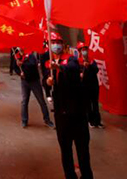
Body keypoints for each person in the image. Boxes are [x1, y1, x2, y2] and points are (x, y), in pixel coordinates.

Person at [45, 33, 93, 179]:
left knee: (82, 149)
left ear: (62, 44)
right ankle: (70, 175)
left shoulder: (70, 59)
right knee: (65, 150)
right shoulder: (48, 63)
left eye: (58, 42)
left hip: (77, 112)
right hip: (61, 113)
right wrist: (47, 82)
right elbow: (45, 81)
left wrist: (59, 66)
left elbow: (72, 70)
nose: (56, 45)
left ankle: (87, 176)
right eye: (53, 42)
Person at [14, 48, 54, 129]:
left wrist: (22, 63)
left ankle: (47, 120)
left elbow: (32, 64)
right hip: (24, 81)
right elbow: (15, 67)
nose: (20, 49)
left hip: (34, 81)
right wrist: (19, 73)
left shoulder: (30, 55)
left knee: (41, 101)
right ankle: (24, 120)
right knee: (24, 101)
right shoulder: (16, 56)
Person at [77, 42, 103, 129]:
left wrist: (90, 65)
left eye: (85, 49)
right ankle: (90, 120)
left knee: (95, 103)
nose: (84, 51)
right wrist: (80, 73)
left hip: (93, 85)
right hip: (84, 86)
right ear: (79, 51)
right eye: (82, 49)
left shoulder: (91, 60)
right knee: (87, 104)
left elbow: (96, 70)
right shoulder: (78, 61)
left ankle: (97, 121)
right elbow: (75, 72)